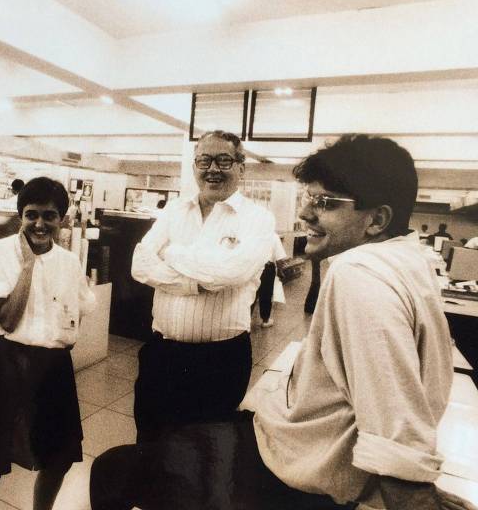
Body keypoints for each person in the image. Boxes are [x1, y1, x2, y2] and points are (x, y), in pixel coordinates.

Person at [91, 134, 474, 510]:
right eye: (309, 199)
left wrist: (418, 497)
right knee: (158, 445)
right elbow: (142, 264)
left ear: (376, 219)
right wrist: (198, 278)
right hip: (178, 362)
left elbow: (394, 420)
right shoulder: (410, 262)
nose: (306, 213)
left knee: (113, 470)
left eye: (323, 202)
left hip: (286, 464)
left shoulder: (359, 273)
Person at [0, 177, 96, 510]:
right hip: (4, 361)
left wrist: (61, 337)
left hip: (53, 365)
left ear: (62, 220)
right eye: (31, 215)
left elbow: (82, 308)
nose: (39, 224)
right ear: (20, 216)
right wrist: (28, 265)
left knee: (59, 458)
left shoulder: (69, 262)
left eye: (49, 215)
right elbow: (8, 319)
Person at [130, 130, 275, 442]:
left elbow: (231, 273)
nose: (213, 169)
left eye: (223, 161)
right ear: (194, 165)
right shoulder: (174, 209)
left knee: (206, 451)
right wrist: (192, 285)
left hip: (220, 360)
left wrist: (170, 253)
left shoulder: (257, 218)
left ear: (241, 168)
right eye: (204, 160)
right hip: (163, 353)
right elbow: (139, 264)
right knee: (151, 440)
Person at [253, 233, 288, 327]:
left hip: (252, 267)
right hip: (267, 268)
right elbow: (280, 259)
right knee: (266, 294)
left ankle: (245, 321)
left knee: (250, 293)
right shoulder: (273, 236)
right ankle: (265, 320)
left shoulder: (251, 234)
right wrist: (280, 272)